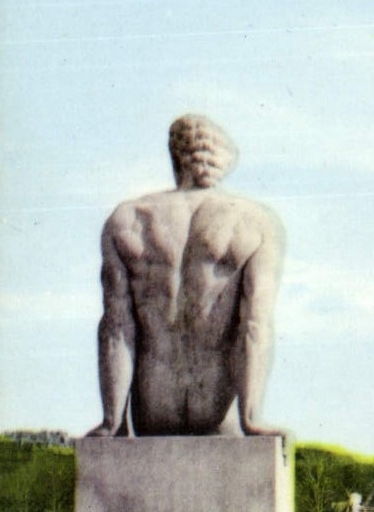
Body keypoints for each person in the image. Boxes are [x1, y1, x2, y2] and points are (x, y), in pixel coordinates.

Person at [87, 116, 285, 438]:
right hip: (216, 412)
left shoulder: (128, 219)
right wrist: (250, 418)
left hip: (152, 408)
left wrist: (113, 420)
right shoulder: (255, 221)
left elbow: (116, 327)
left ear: (176, 157)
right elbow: (255, 325)